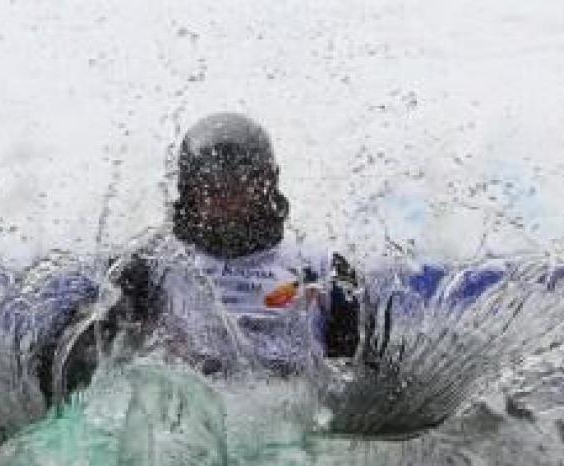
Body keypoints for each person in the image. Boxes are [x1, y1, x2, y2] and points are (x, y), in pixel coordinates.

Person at [42, 112, 361, 400]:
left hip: (292, 421)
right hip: (194, 422)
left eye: (242, 185)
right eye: (213, 188)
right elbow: (76, 355)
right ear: (189, 193)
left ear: (268, 183)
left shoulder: (323, 269)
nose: (230, 201)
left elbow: (353, 381)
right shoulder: (153, 269)